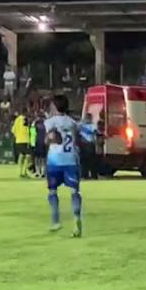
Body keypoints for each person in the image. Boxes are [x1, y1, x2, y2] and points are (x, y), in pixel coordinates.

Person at [44, 95, 83, 237]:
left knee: (53, 192)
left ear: (54, 106)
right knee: (74, 192)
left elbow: (50, 139)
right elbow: (76, 140)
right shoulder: (72, 122)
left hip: (55, 161)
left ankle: (56, 221)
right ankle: (76, 220)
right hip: (71, 160)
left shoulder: (50, 122)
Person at [11, 109, 31, 178]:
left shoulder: (16, 120)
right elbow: (27, 130)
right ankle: (24, 172)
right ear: (25, 112)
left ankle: (21, 172)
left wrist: (17, 136)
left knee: (22, 155)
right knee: (28, 155)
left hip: (18, 140)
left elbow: (13, 130)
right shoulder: (25, 119)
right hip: (25, 140)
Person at [78, 113, 98, 179]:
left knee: (91, 161)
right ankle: (84, 175)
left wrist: (84, 129)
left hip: (90, 144)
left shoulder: (92, 125)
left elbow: (94, 132)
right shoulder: (80, 125)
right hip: (83, 144)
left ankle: (93, 175)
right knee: (83, 161)